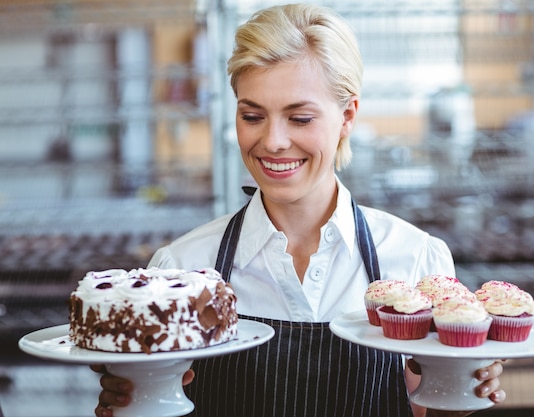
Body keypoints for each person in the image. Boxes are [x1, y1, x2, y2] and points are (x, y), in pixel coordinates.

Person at [93, 4, 505, 417]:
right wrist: (131, 401)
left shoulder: (415, 259)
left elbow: (429, 409)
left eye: (300, 118)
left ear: (347, 116)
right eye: (252, 116)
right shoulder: (180, 270)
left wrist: (464, 390)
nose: (273, 141)